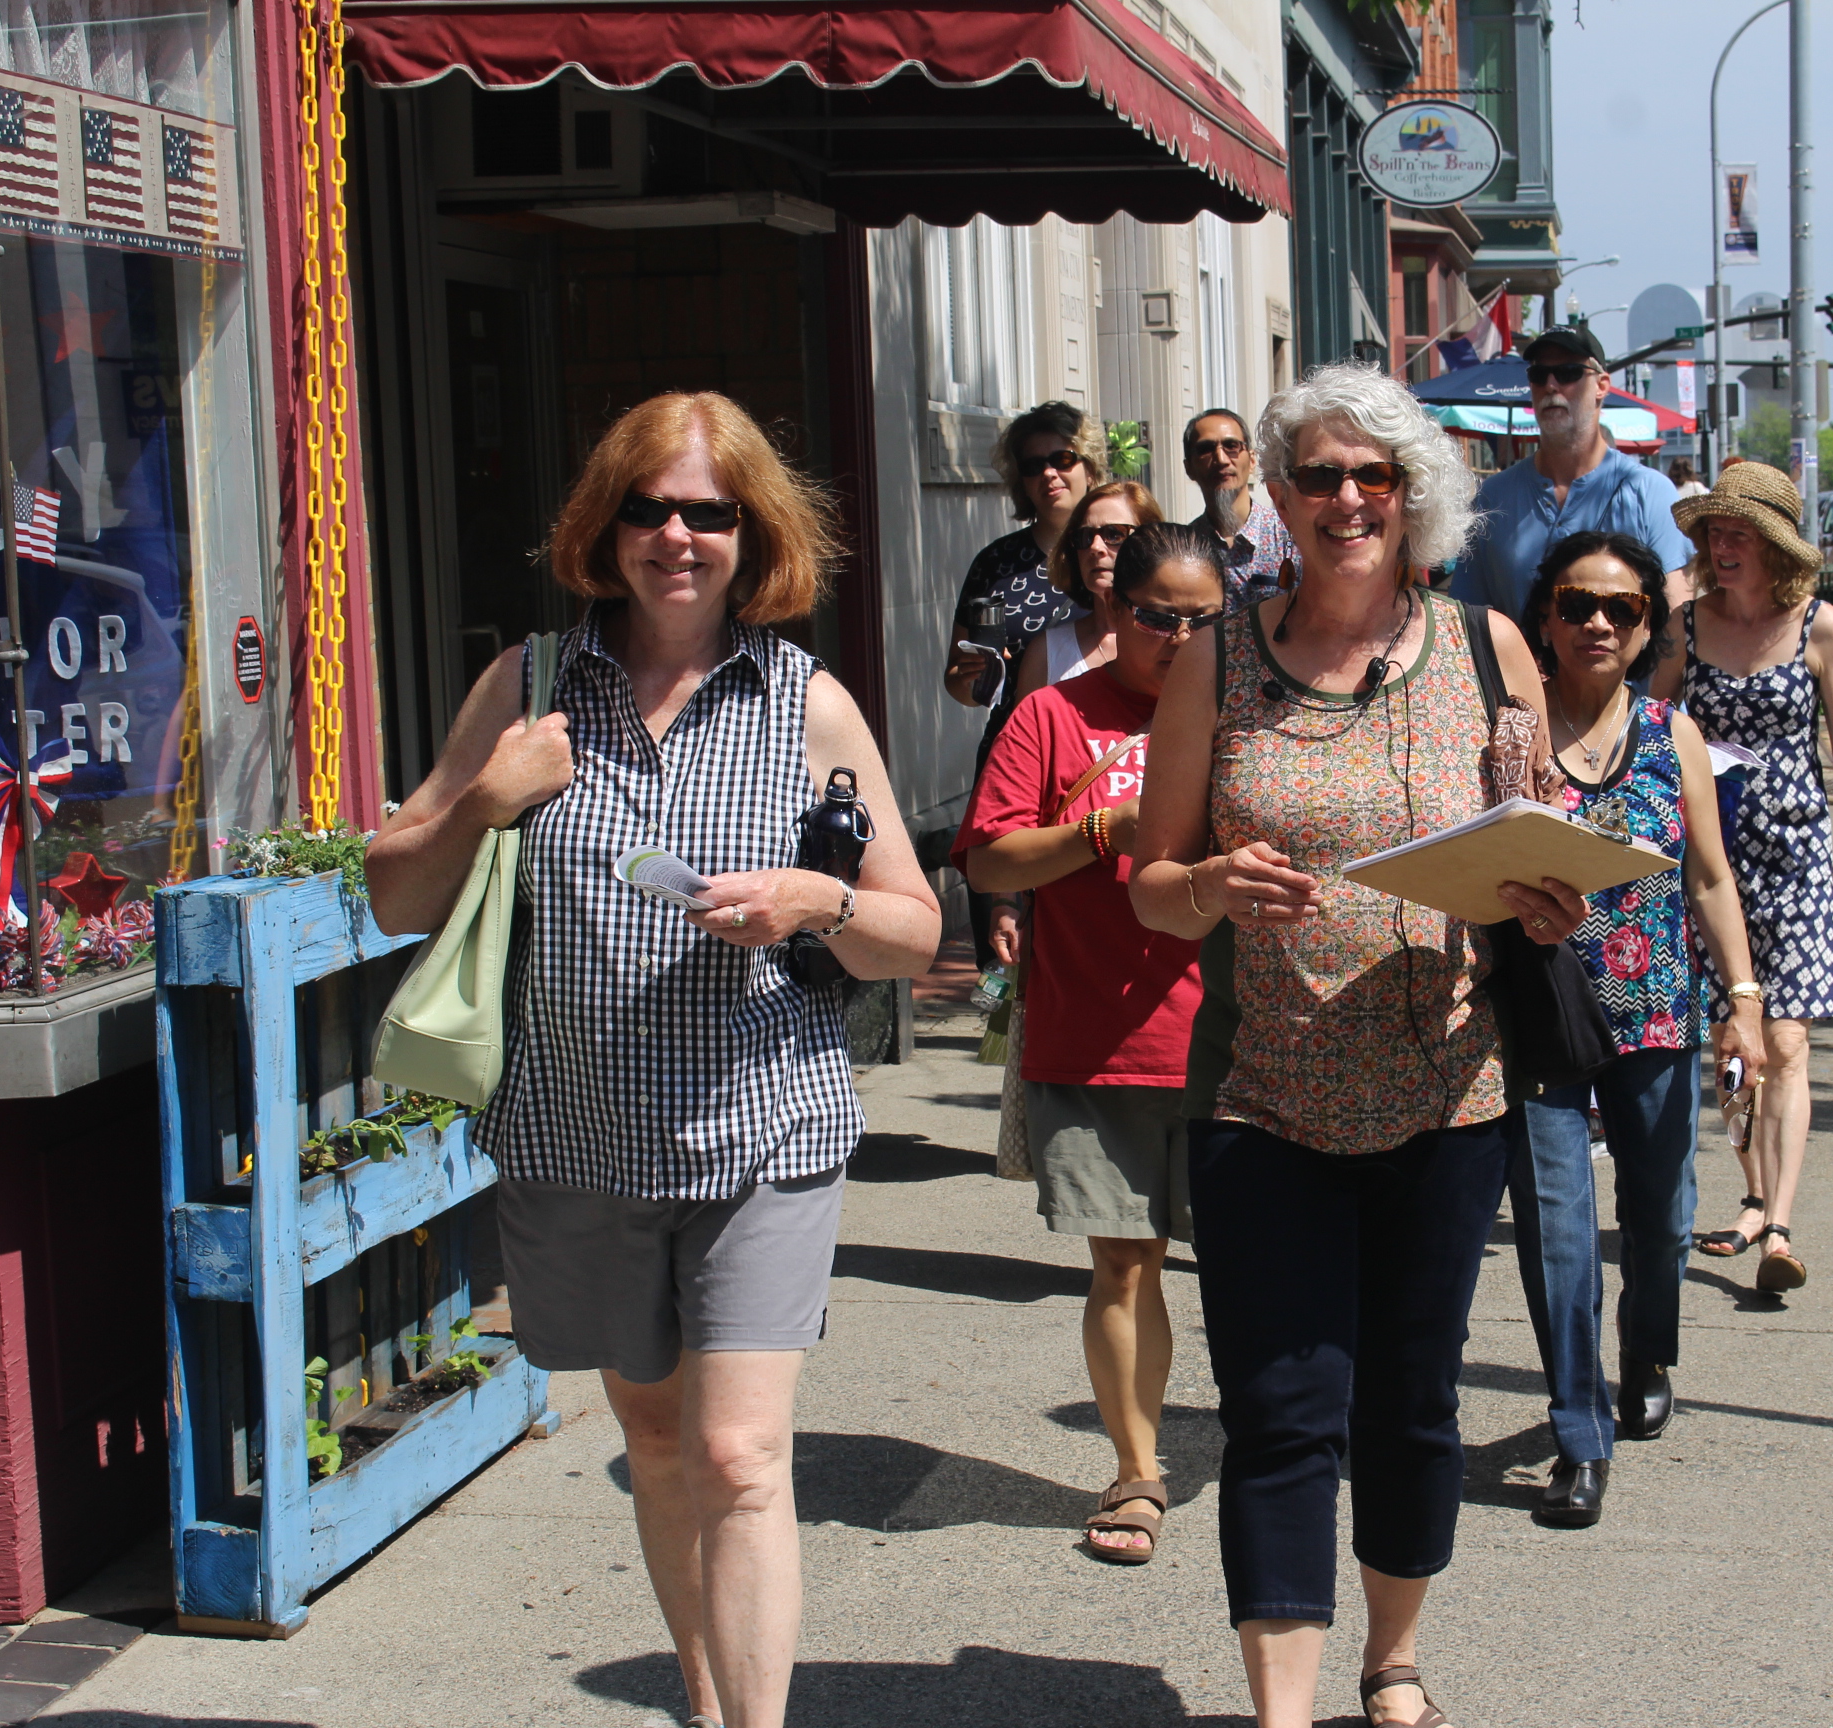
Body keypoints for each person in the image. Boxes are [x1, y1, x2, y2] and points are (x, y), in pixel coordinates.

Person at [364, 392, 941, 1728]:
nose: (677, 536)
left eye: (710, 513)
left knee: (742, 1453)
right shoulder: (523, 687)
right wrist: (486, 802)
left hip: (764, 1132)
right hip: (581, 1138)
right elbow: (396, 890)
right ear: (604, 524)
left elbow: (913, 933)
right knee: (664, 1439)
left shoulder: (809, 700)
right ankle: (705, 1689)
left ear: (755, 534)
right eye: (650, 508)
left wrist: (820, 903)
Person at [1130, 363, 1588, 1728]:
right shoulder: (1217, 659)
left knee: (1411, 1402)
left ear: (1414, 494)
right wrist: (1210, 888)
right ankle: (1284, 1708)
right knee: (1281, 1410)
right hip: (1268, 1098)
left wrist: (1552, 897)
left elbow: (1539, 836)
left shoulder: (1490, 649)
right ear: (1275, 494)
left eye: (1373, 476)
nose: (1347, 500)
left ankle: (1392, 1657)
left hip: (1449, 1093)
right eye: (1318, 476)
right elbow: (1152, 882)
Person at [954, 524, 1227, 1565]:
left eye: (1204, 619)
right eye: (1159, 615)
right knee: (1123, 1262)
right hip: (1096, 1033)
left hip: (1234, 1033)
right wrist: (1098, 834)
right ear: (1117, 610)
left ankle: (1277, 1450)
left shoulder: (1250, 716)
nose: (1179, 637)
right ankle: (1137, 1470)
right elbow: (989, 863)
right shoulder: (1053, 714)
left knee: (1250, 1269)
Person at [1507, 530, 1767, 1529]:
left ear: (1650, 622)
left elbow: (1709, 877)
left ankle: (1647, 1348)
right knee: (1559, 1233)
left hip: (1656, 1014)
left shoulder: (1674, 736)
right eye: (1577, 605)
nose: (1598, 623)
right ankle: (1579, 1432)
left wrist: (1743, 1003)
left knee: (1659, 1219)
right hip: (1539, 1016)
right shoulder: (1510, 737)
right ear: (1547, 618)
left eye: (1621, 608)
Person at [1653, 460, 1833, 1295]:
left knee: (1788, 1041)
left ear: (1775, 546)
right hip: (1709, 863)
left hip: (1795, 856)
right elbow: (1645, 730)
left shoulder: (1819, 626)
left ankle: (1780, 1227)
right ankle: (1753, 1193)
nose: (1722, 548)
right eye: (1713, 534)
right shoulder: (1685, 626)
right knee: (1735, 1045)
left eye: (1739, 535)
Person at [945, 401, 1106, 975]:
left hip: (1107, 757)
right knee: (1010, 946)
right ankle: (1016, 1054)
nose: (1049, 475)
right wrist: (969, 681)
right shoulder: (997, 564)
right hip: (1017, 760)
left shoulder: (1124, 548)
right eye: (1032, 464)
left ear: (1090, 463)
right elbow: (960, 682)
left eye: (1062, 458)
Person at [1449, 326, 1696, 621]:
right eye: (1539, 375)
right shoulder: (1493, 497)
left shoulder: (1649, 491)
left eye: (1568, 373)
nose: (1551, 385)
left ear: (1602, 385)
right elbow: (1466, 619)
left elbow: (1675, 620)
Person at [1009, 478, 1165, 703]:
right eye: (1084, 537)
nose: (1095, 547)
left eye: (1114, 534)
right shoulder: (1046, 653)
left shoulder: (1175, 643)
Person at [1182, 407, 1300, 609]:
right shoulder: (1184, 548)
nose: (1221, 459)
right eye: (1206, 449)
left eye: (1231, 446)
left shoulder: (1290, 536)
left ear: (1252, 460)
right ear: (1189, 468)